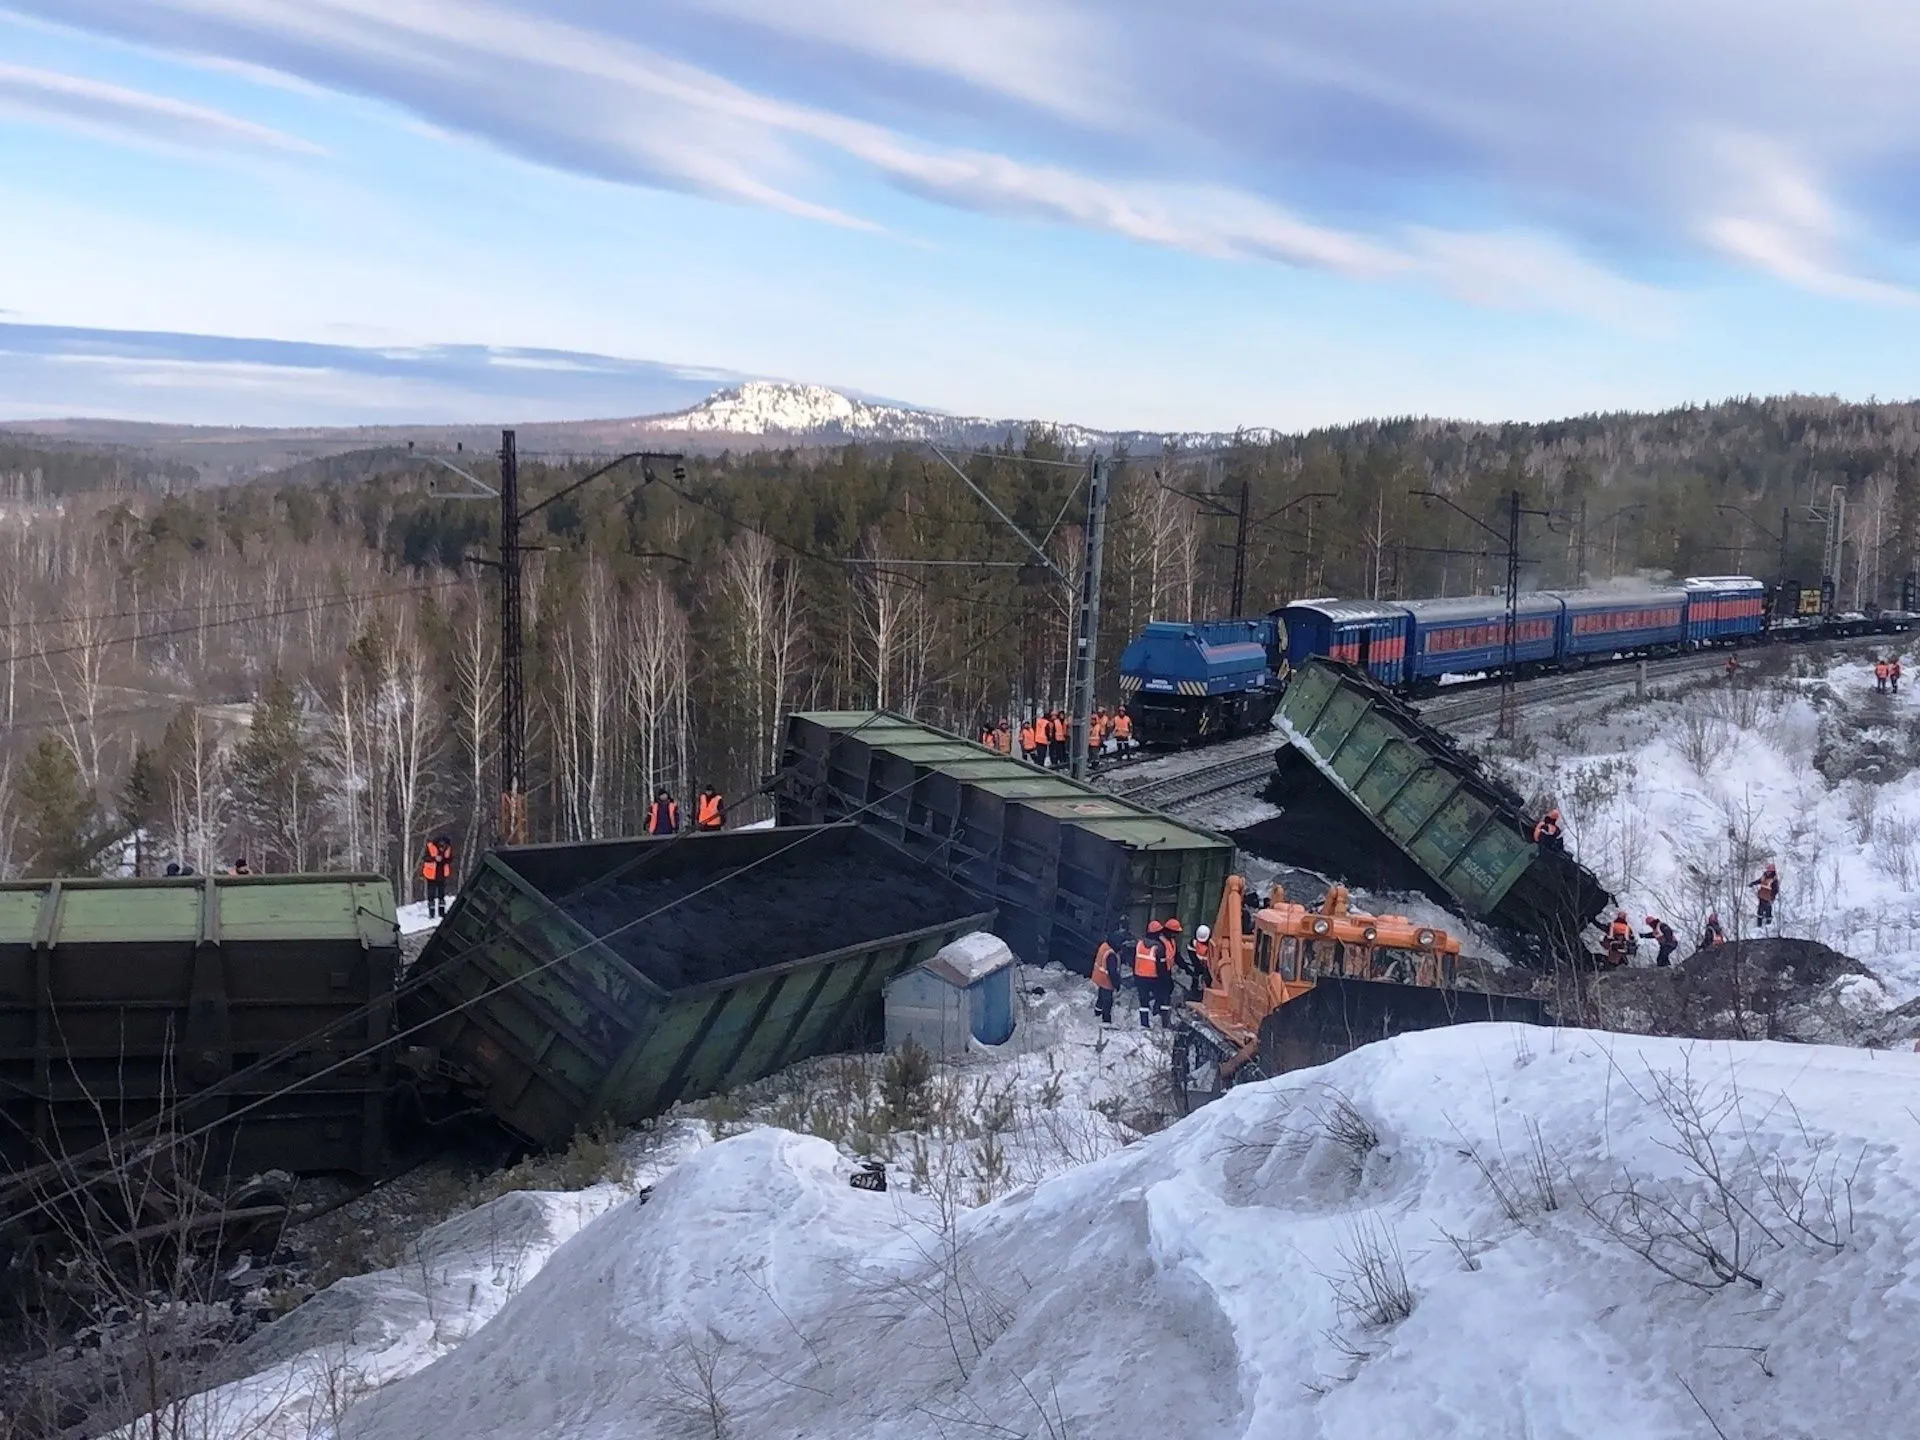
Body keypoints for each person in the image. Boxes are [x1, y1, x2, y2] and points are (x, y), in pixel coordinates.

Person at [1133, 921, 1165, 1029]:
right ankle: (1157, 1014)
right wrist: (1164, 978)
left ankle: (1144, 1023)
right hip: (1153, 978)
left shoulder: (1139, 944)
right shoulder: (1158, 947)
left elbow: (1134, 960)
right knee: (1159, 995)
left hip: (1139, 977)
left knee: (1143, 1001)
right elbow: (1161, 966)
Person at [1090, 932, 1123, 1025]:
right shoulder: (1111, 955)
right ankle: (1106, 1021)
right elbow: (1112, 973)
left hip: (1099, 977)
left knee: (1101, 997)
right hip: (1106, 980)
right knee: (1107, 1001)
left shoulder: (1104, 946)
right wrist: (1117, 985)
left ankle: (1097, 1013)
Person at [419, 835, 455, 918]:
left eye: (444, 844)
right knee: (431, 895)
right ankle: (431, 913)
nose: (442, 846)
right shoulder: (430, 847)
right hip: (431, 875)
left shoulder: (448, 848)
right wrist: (435, 858)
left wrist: (444, 860)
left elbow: (450, 859)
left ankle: (441, 912)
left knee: (441, 895)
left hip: (442, 874)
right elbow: (425, 858)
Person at [1181, 922, 1214, 1001]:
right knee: (1195, 978)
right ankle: (1195, 992)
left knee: (1208, 980)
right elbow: (1191, 953)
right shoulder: (1194, 943)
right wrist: (1196, 964)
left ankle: (1206, 993)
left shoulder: (1212, 944)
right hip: (1199, 964)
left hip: (1210, 966)